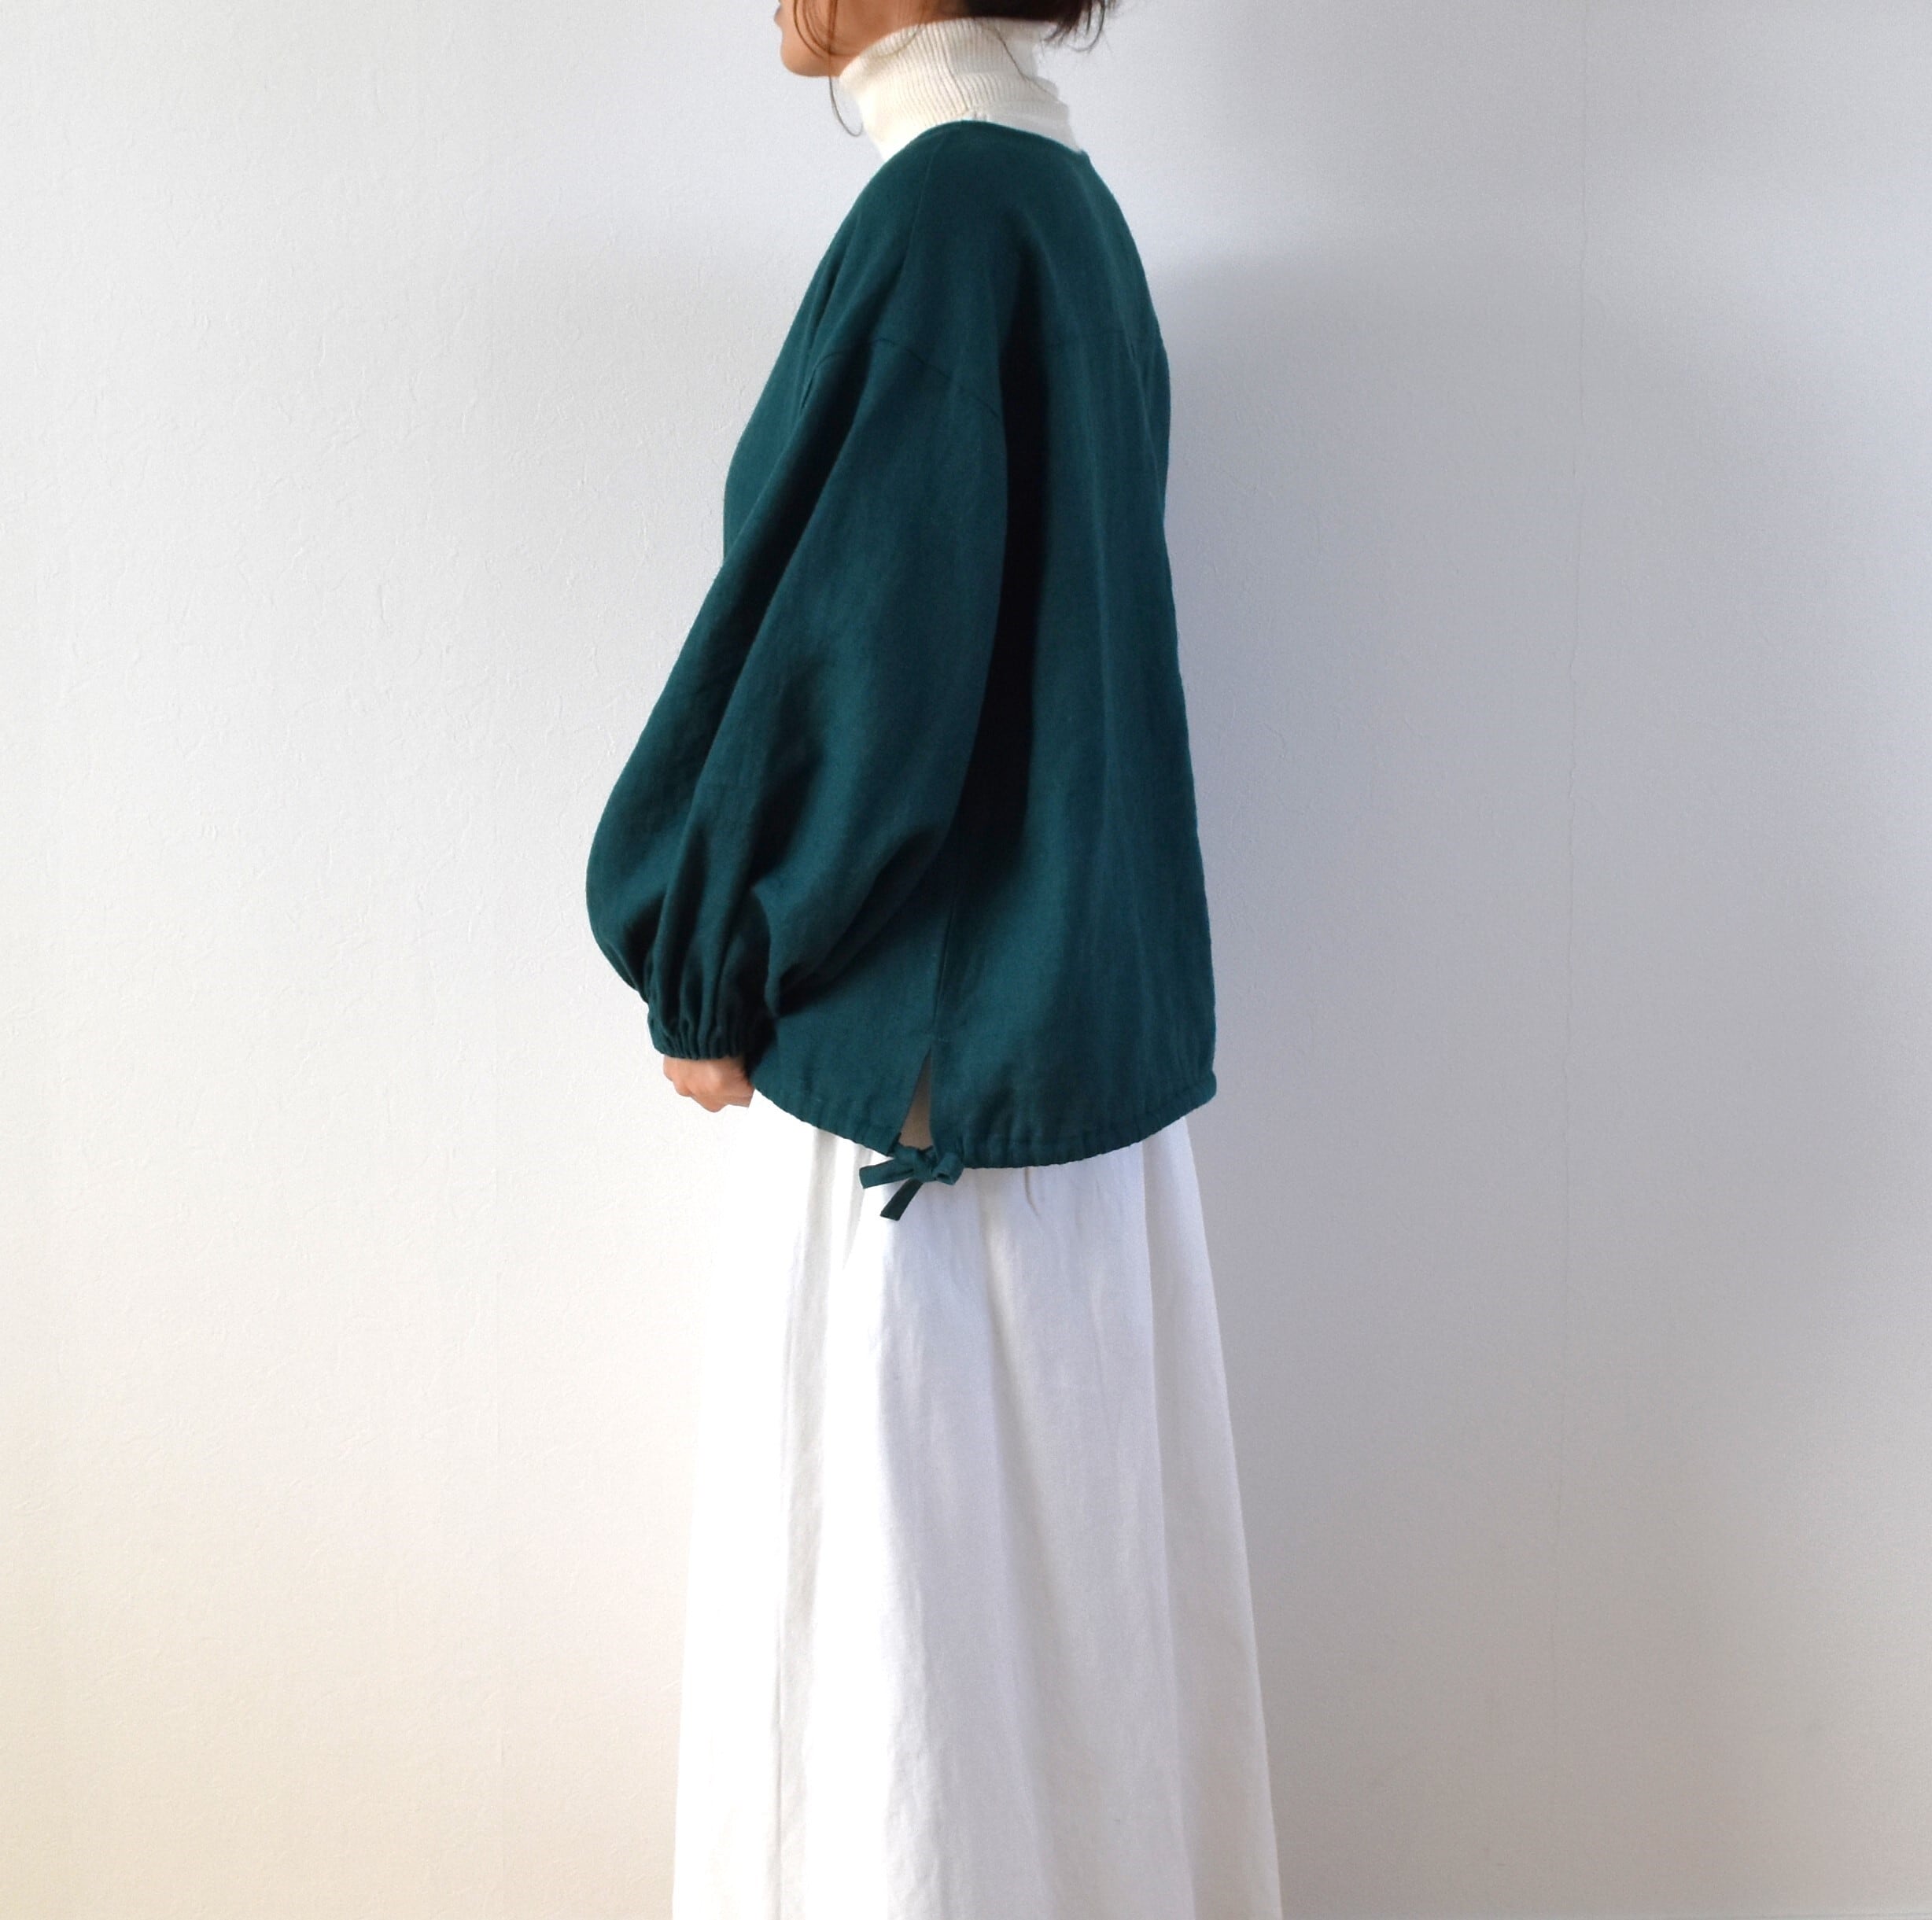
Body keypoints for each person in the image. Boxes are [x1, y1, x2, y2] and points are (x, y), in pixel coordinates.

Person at [584, 3, 1284, 1914]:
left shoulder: (948, 214)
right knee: (1050, 1661)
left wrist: (716, 951)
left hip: (926, 1087)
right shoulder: (1054, 198)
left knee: (900, 1668)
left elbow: (863, 645)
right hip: (1041, 1074)